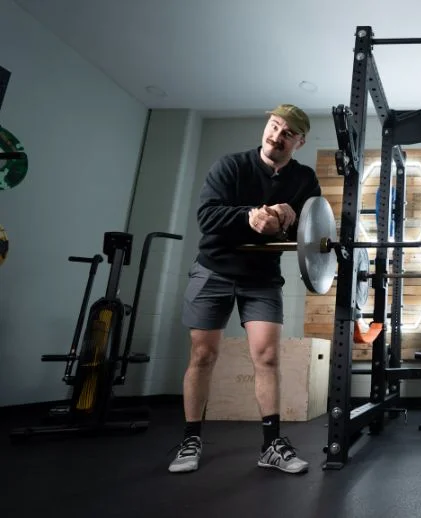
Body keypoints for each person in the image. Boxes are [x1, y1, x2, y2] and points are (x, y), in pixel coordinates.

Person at [168, 104, 321, 474]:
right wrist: (252, 216)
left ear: (299, 142)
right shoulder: (231, 166)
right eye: (274, 126)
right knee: (203, 355)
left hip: (261, 277)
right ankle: (190, 439)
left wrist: (286, 219)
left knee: (267, 356)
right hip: (214, 269)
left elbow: (312, 228)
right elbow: (207, 217)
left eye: (287, 133)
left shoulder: (304, 179)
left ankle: (271, 445)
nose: (276, 136)